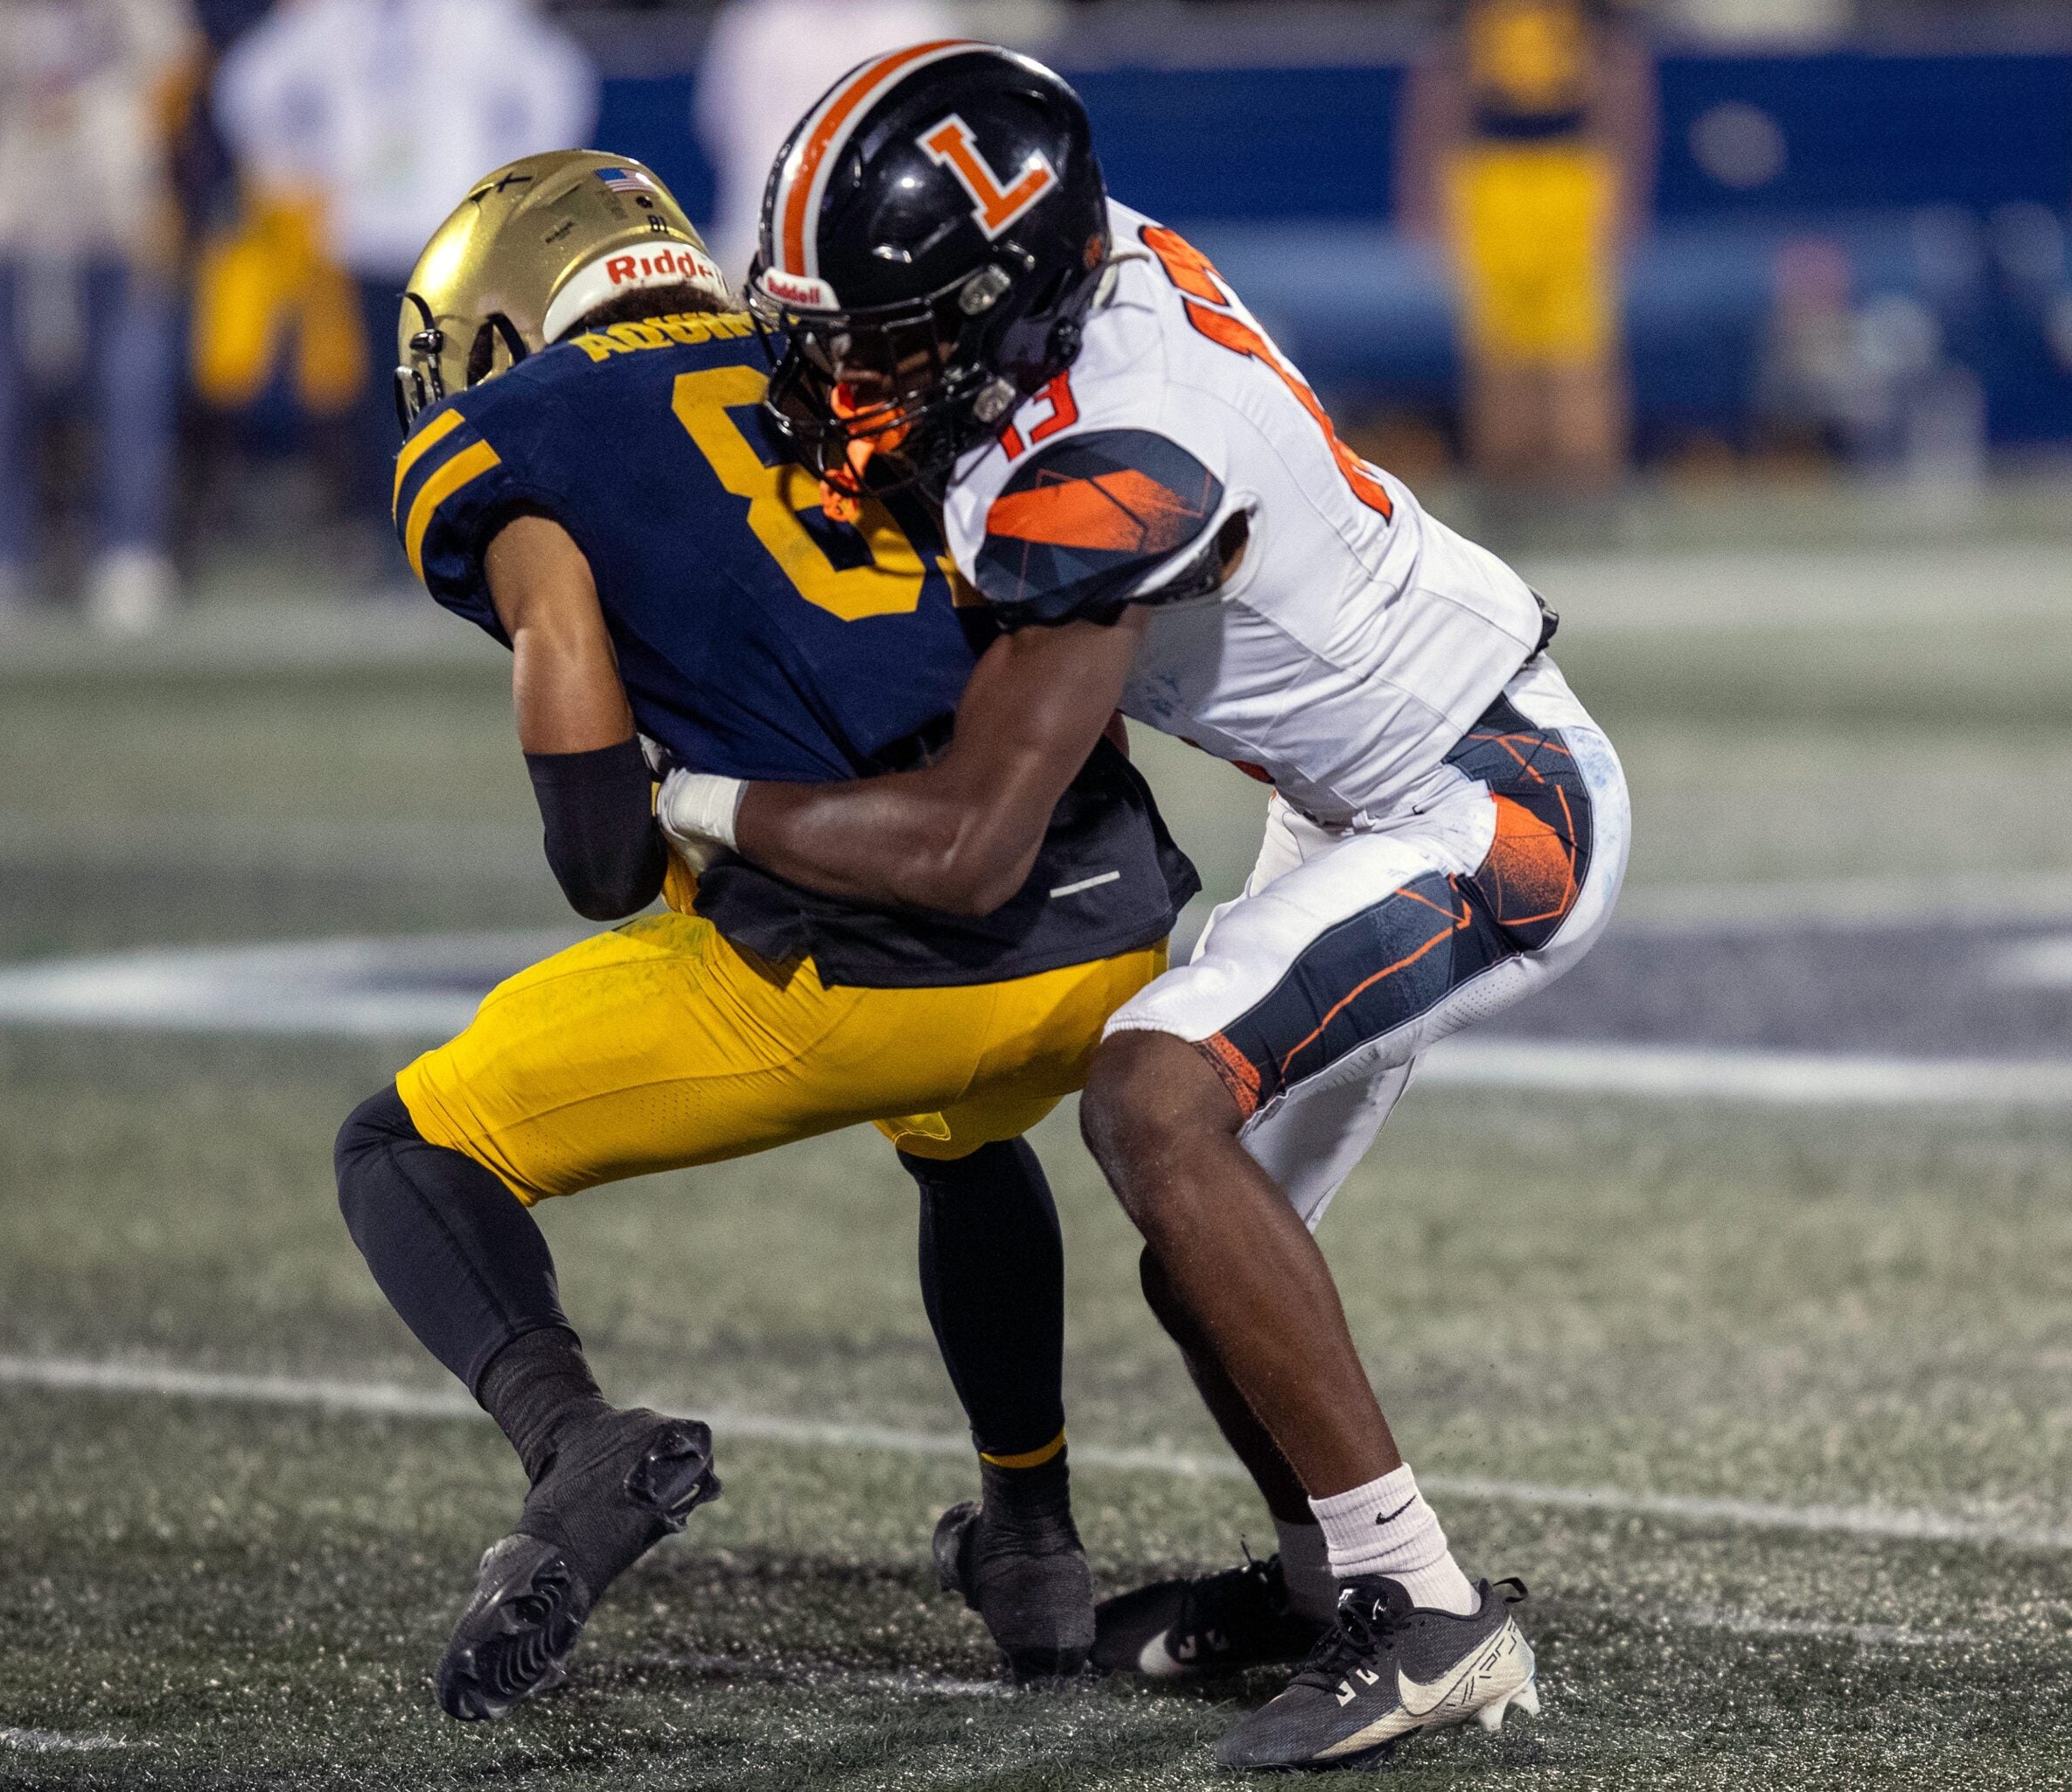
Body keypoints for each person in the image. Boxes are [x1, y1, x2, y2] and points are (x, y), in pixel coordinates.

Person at [657, 42, 1629, 1770]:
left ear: (1000, 305)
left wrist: (703, 802)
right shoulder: (1055, 296)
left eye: (882, 335)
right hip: (1359, 788)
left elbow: (970, 840)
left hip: (1491, 801)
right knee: (1210, 1239)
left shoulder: (1119, 448)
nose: (843, 370)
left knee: (1149, 1098)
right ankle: (1334, 1573)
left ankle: (1424, 1610)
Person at [338, 150, 1198, 1718]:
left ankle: (573, 1439)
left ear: (497, 325)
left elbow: (600, 856)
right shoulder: (852, 338)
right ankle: (1032, 1539)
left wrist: (674, 801)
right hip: (1114, 916)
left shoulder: (503, 434)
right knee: (960, 1138)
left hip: (869, 965)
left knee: (402, 1146)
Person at [212, 0, 595, 577]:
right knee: (379, 401)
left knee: (465, 392)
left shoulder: (479, 15)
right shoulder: (335, 17)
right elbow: (248, 86)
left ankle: (470, 536)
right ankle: (395, 541)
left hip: (451, 237)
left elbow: (559, 82)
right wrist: (289, 171)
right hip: (364, 233)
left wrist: (512, 179)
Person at [0, 0, 199, 631]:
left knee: (131, 395)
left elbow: (174, 62)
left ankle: (129, 551)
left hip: (114, 215)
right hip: (8, 219)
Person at [1395, 0, 1654, 497]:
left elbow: (1623, 91)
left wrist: (1626, 198)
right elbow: (1436, 99)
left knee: (1578, 349)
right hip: (1489, 180)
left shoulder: (1594, 19)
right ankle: (1509, 483)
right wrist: (1424, 202)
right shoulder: (1464, 19)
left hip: (1572, 178)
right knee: (1499, 350)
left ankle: (1586, 480)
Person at [694, 0, 959, 279]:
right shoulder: (759, 22)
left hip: (885, 253)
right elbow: (718, 125)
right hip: (755, 241)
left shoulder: (915, 22)